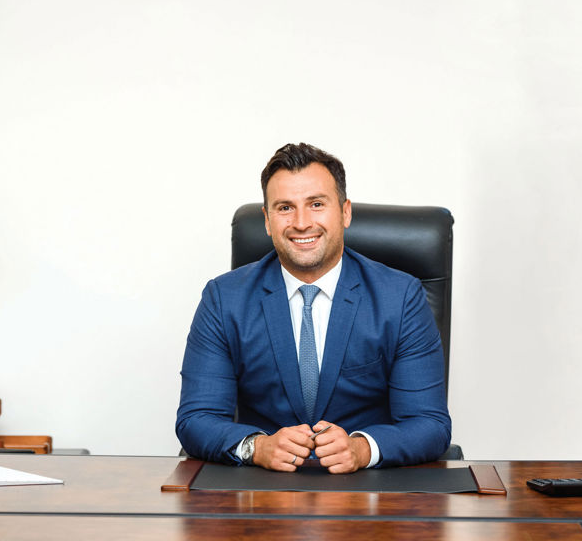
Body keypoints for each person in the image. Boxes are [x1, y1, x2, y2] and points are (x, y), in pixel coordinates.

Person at [176, 143, 451, 473]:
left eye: (316, 204)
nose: (302, 223)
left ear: (345, 212)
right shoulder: (224, 299)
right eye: (285, 208)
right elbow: (196, 419)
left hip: (365, 488)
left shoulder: (400, 297)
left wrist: (362, 449)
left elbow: (429, 424)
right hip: (263, 487)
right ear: (267, 221)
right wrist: (257, 447)